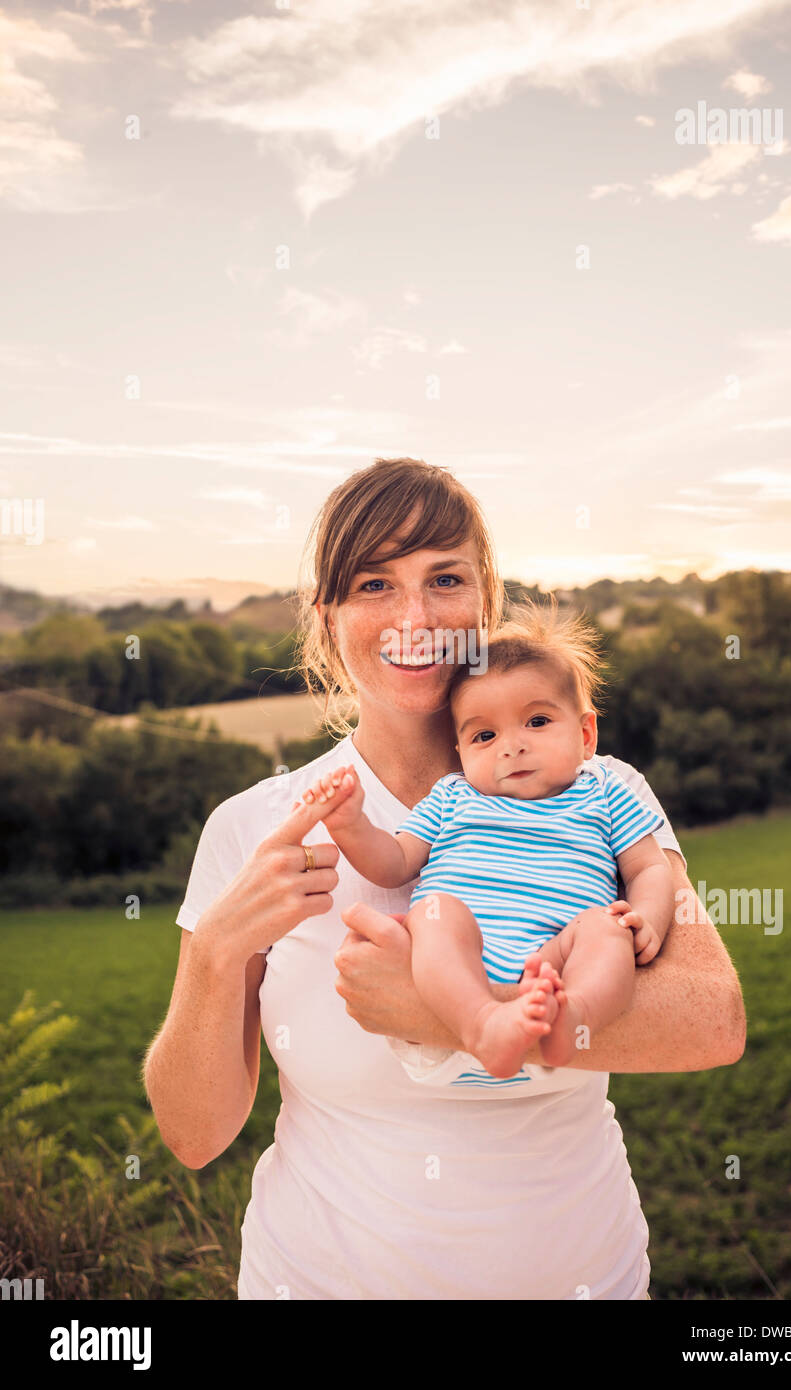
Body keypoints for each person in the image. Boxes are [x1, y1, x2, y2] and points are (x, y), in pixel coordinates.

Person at [143, 455, 746, 1301]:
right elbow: (193, 1136)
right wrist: (213, 955)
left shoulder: (594, 789)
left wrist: (443, 1014)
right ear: (327, 617)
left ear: (486, 599)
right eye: (373, 585)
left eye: (445, 578)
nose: (415, 616)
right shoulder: (255, 826)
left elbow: (711, 1021)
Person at [297, 603, 674, 1083]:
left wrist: (649, 919)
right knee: (437, 914)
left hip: (556, 962)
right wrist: (350, 825)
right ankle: (483, 1024)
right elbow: (394, 862)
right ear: (460, 752)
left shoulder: (604, 789)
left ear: (585, 735)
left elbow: (648, 868)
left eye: (537, 722)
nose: (511, 746)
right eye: (485, 735)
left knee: (606, 931)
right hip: (451, 981)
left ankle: (571, 1020)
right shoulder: (453, 795)